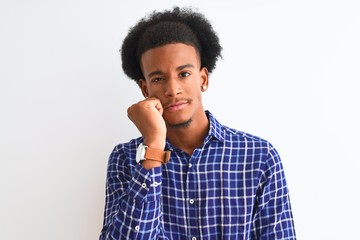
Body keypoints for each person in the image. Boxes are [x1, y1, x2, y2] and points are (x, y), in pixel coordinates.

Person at [99, 6, 296, 240]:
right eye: (158, 78)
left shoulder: (259, 156)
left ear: (203, 78)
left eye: (183, 74)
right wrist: (153, 146)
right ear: (145, 89)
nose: (172, 90)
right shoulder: (125, 158)